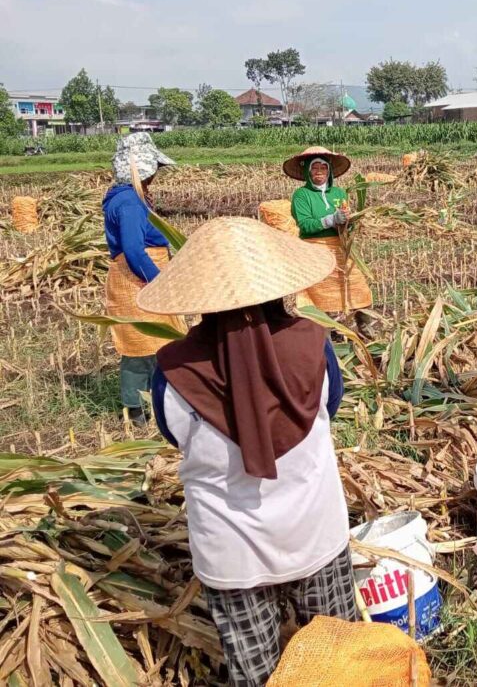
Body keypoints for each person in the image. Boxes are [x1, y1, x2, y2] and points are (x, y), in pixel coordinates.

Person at [137, 217, 353, 687]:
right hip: (314, 531)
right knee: (339, 660)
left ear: (199, 301)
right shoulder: (316, 349)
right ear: (279, 286)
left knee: (256, 674)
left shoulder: (172, 375)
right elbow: (325, 411)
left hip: (231, 553)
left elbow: (178, 438)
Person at [101, 132, 186, 424]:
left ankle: (157, 401)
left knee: (155, 345)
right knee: (140, 348)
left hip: (140, 280)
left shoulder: (130, 197)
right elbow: (135, 251)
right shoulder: (128, 203)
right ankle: (136, 410)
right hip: (137, 282)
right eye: (153, 172)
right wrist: (158, 281)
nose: (154, 178)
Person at [285, 146, 372, 316]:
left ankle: (365, 331)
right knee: (322, 294)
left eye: (323, 167)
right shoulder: (302, 195)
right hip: (314, 249)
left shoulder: (339, 193)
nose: (319, 171)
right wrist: (331, 219)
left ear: (329, 170)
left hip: (340, 247)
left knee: (358, 287)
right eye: (314, 168)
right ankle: (328, 331)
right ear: (308, 172)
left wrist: (348, 221)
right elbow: (305, 225)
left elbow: (347, 224)